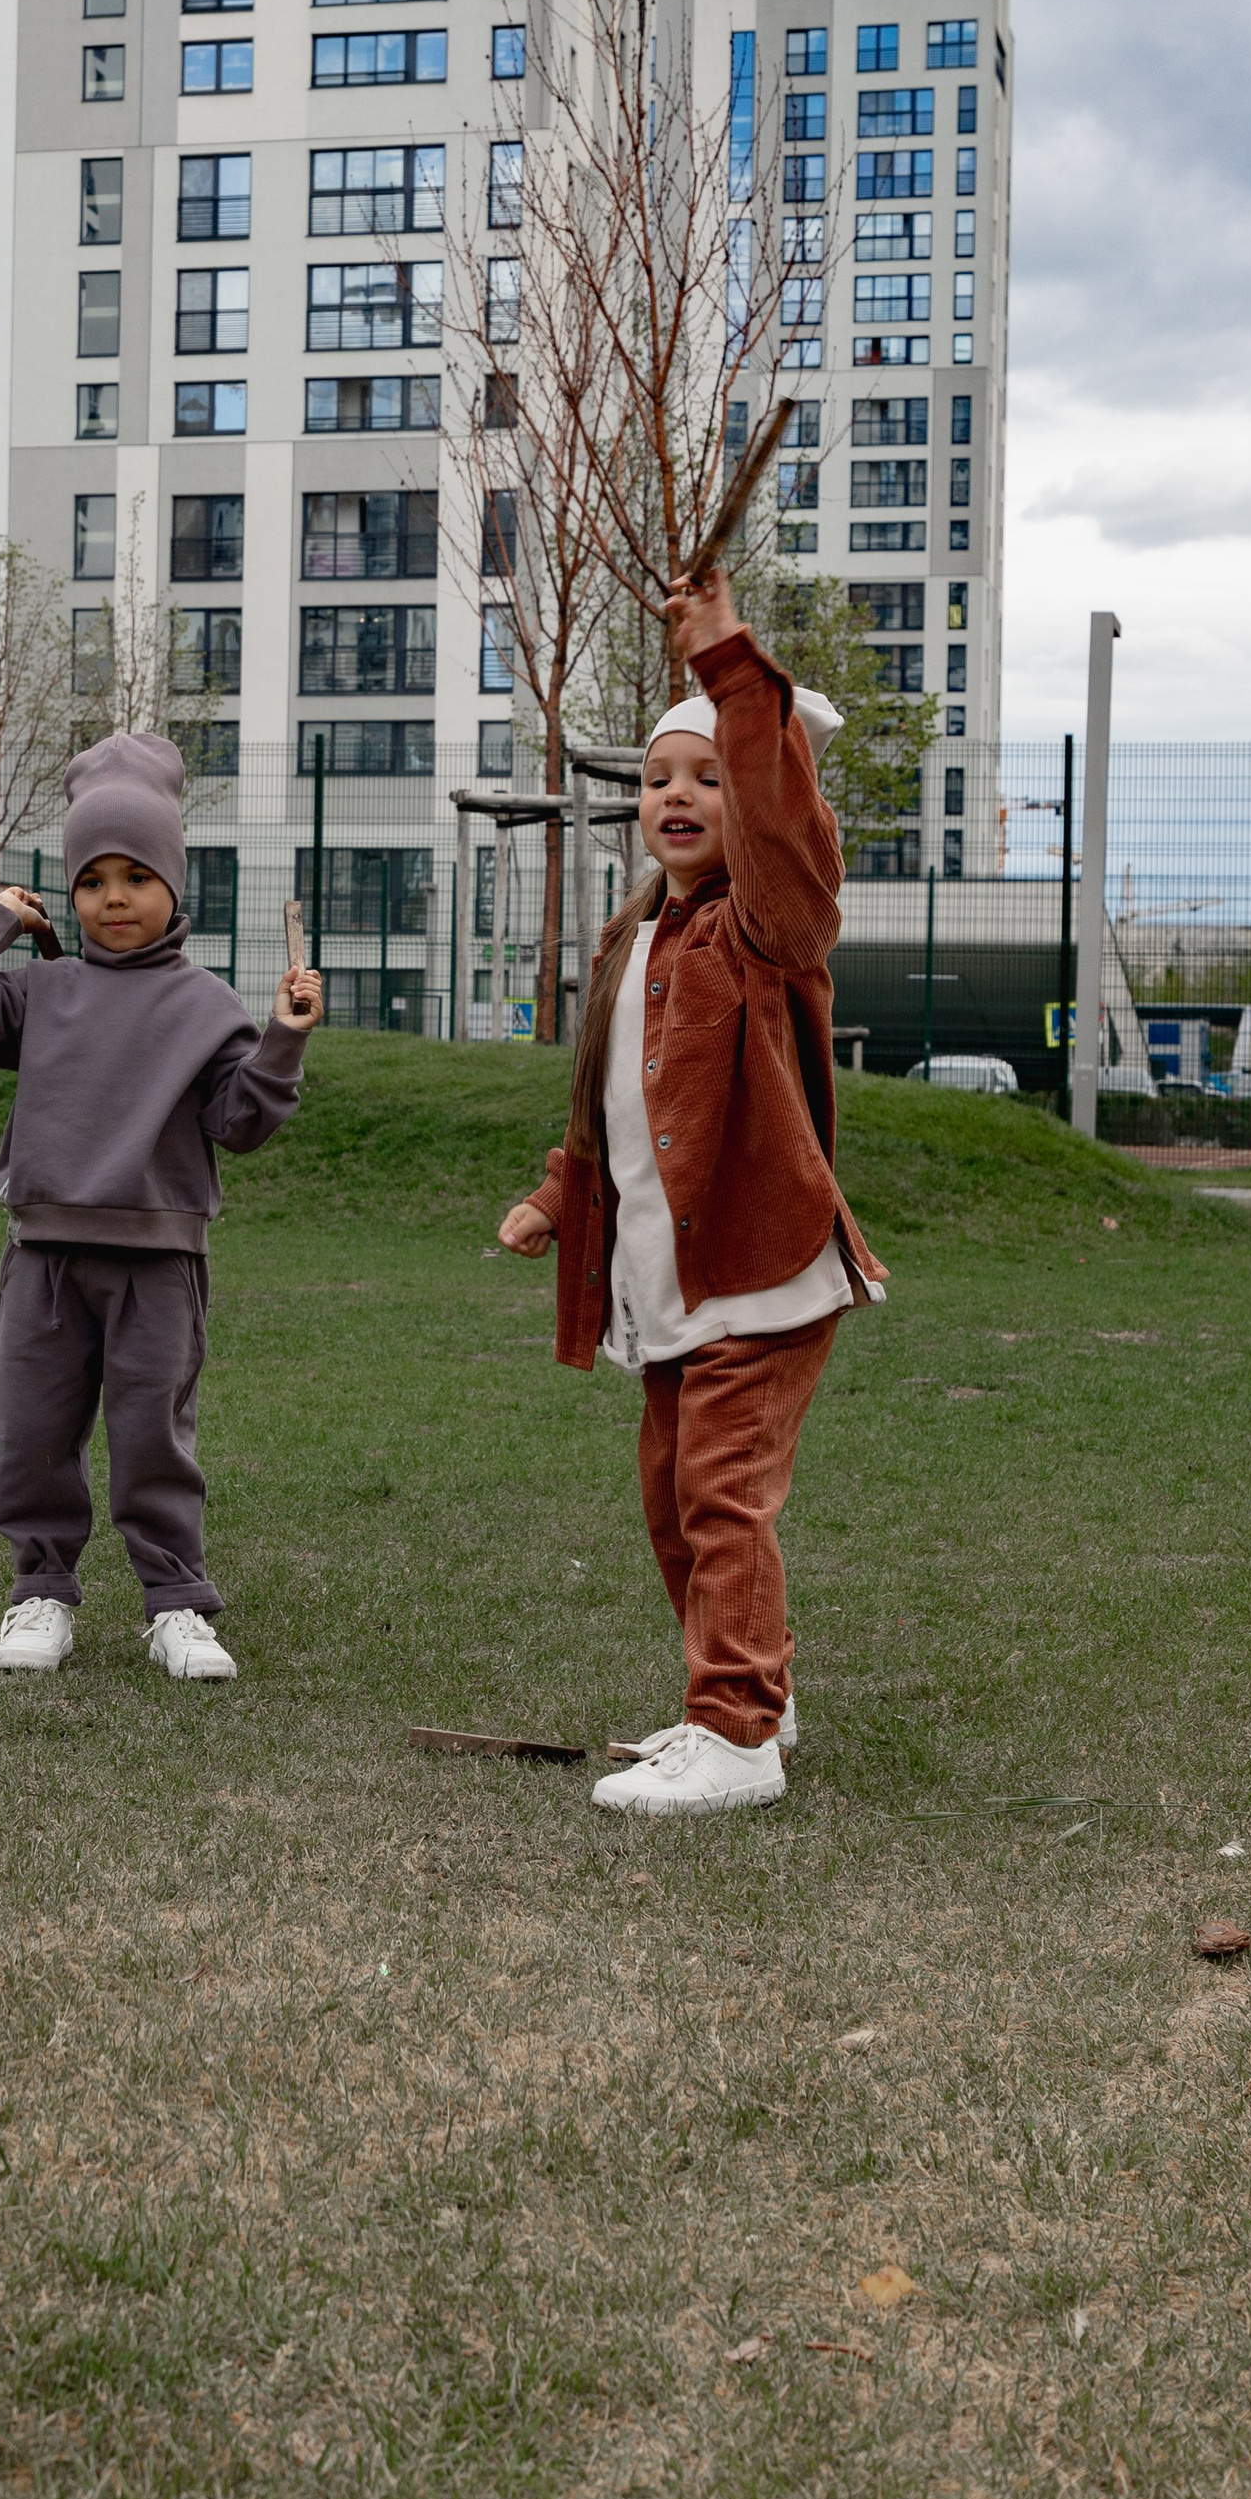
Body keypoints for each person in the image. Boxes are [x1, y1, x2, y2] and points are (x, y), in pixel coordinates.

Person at [496, 558, 884, 1818]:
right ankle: (746, 1693)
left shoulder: (765, 928)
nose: (680, 794)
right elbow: (607, 1106)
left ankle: (736, 1737)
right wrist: (559, 1196)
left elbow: (785, 831)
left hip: (758, 1272)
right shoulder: (633, 937)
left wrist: (729, 667)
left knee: (721, 1491)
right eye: (663, 775)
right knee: (672, 1503)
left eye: (712, 775)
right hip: (667, 1279)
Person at [0, 728, 324, 1679]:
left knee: (155, 1439)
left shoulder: (208, 1005)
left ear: (174, 886)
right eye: (91, 878)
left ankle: (176, 1603)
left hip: (161, 1261)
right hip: (46, 1258)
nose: (113, 897)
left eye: (135, 875)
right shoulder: (39, 990)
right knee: (32, 1436)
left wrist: (282, 1038)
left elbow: (241, 1123)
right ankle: (40, 1593)